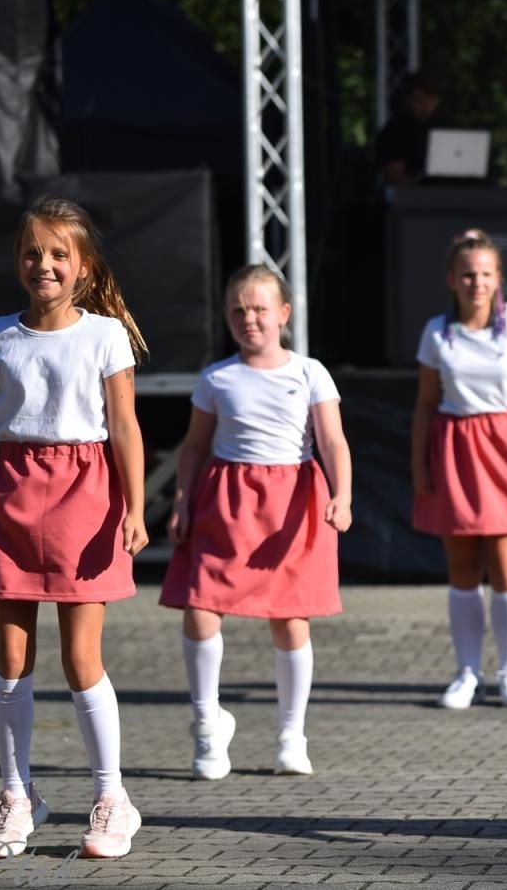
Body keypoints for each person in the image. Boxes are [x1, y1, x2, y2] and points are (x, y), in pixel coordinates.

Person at [0, 197, 149, 860]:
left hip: (85, 497)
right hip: (13, 496)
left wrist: (133, 508)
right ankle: (18, 796)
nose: (42, 264)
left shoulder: (104, 335)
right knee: (11, 660)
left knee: (81, 660)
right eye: (31, 252)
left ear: (82, 267)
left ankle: (112, 798)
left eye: (57, 254)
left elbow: (125, 427)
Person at [160, 265, 353, 780]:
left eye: (260, 309)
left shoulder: (311, 372)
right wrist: (181, 502)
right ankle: (207, 725)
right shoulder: (216, 378)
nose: (250, 319)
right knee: (200, 609)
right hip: (225, 503)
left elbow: (332, 441)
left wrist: (343, 495)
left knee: (290, 619)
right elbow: (195, 446)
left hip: (291, 505)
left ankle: (292, 734)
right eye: (239, 310)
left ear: (284, 315)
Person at [411, 229, 507, 709]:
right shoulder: (437, 331)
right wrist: (420, 466)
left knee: (505, 565)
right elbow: (424, 405)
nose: (476, 283)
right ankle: (466, 673)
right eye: (467, 275)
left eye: (485, 274)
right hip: (455, 449)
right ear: (451, 280)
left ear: (499, 279)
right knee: (462, 567)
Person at [376, 72, 440, 187]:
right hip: (412, 199)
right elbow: (394, 174)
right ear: (406, 101)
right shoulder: (394, 131)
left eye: (430, 100)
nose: (426, 106)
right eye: (419, 101)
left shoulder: (437, 128)